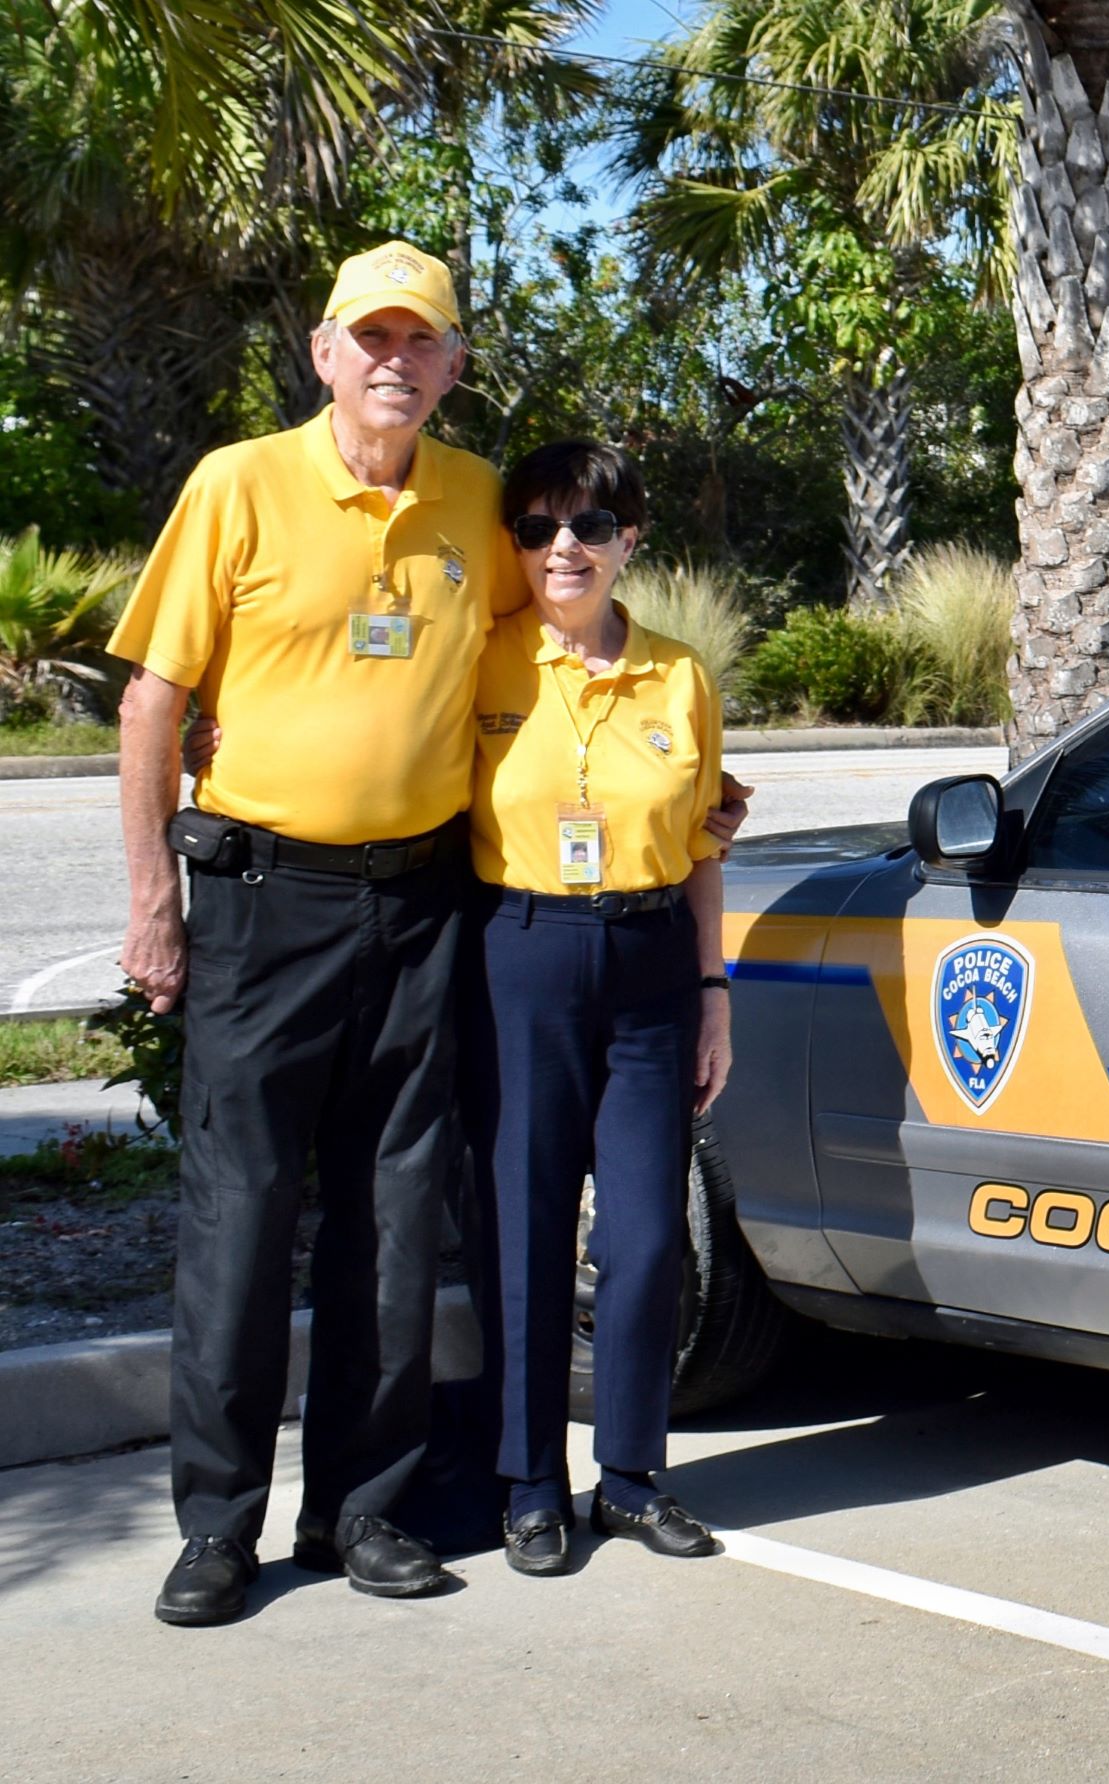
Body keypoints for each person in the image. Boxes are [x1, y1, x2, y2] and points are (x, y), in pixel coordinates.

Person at [114, 244, 743, 1627]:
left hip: (419, 905)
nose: (395, 362)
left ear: (454, 366)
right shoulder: (239, 483)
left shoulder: (479, 505)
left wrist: (690, 784)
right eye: (372, 338)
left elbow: (575, 656)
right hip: (264, 896)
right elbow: (155, 706)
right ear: (327, 351)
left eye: (423, 342)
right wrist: (156, 903)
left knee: (398, 1221)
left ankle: (362, 1512)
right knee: (242, 1212)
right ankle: (218, 1528)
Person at [460, 440, 731, 1576]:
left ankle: (630, 1474)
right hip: (522, 952)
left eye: (588, 524)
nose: (561, 547)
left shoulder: (679, 673)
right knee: (524, 1229)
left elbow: (710, 836)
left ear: (631, 540)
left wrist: (715, 988)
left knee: (650, 1234)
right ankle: (530, 1483)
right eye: (536, 526)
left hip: (655, 961)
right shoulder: (478, 662)